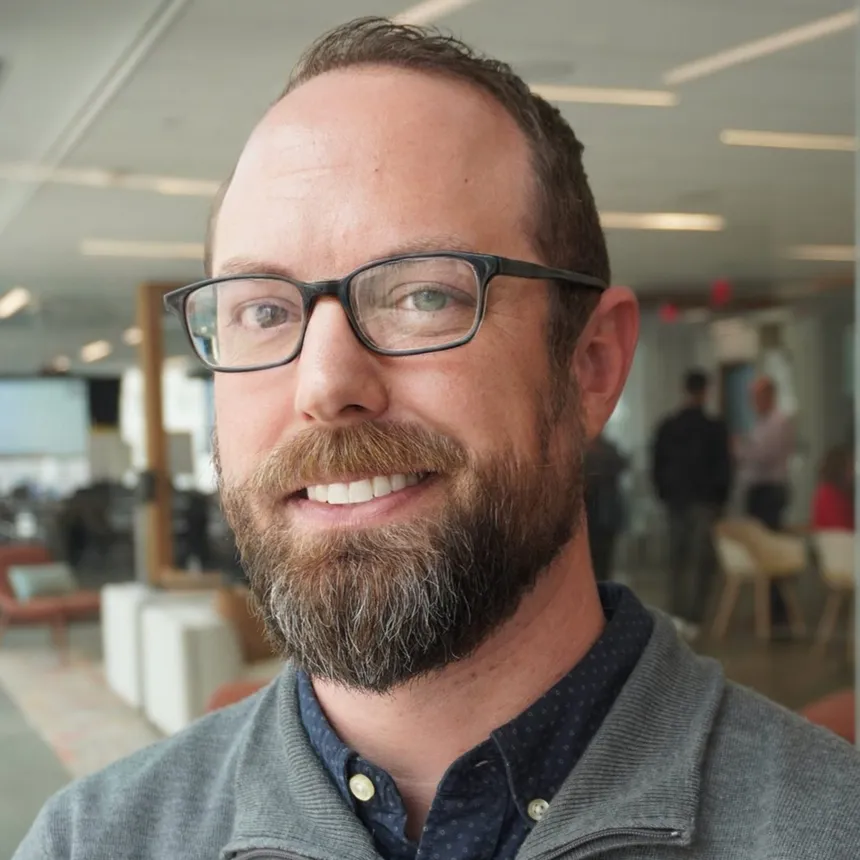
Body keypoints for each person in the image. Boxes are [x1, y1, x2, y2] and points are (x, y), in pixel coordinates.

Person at [16, 17, 860, 860]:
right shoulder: (92, 839)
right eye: (263, 312)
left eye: (424, 295)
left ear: (592, 366)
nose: (325, 385)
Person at [652, 370, 732, 637]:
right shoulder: (714, 428)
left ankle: (675, 614)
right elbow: (724, 466)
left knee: (676, 559)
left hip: (676, 499)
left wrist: (663, 492)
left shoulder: (669, 426)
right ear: (705, 391)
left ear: (684, 390)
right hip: (704, 501)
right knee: (700, 561)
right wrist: (720, 499)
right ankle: (694, 618)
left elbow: (657, 463)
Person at [735, 375, 796, 631]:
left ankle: (777, 612)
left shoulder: (777, 423)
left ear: (769, 396)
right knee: (760, 552)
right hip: (759, 491)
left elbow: (763, 456)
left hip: (769, 492)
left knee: (768, 550)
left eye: (757, 397)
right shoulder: (761, 424)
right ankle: (769, 610)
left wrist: (739, 449)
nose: (753, 402)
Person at [584, 433, 628, 581]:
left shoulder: (607, 451)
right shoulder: (581, 451)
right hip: (589, 516)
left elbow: (621, 465)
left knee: (603, 559)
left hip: (604, 515)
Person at [811, 445, 854, 530]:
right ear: (839, 469)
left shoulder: (844, 493)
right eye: (850, 467)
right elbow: (840, 528)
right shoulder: (827, 493)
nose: (853, 472)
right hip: (833, 541)